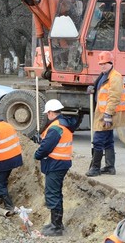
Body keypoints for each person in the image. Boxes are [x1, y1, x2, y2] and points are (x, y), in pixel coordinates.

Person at [34, 99, 75, 236]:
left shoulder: (56, 127)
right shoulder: (63, 124)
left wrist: (37, 154)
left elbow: (46, 147)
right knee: (56, 192)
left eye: (47, 113)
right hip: (61, 163)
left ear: (51, 112)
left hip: (55, 164)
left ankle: (56, 227)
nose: (47, 116)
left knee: (52, 193)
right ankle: (56, 224)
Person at [86, 51, 125, 176]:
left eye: (105, 64)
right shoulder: (104, 75)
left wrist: (108, 115)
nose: (102, 66)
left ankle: (95, 168)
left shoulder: (115, 77)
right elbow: (101, 91)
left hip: (107, 114)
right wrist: (92, 89)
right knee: (108, 140)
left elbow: (114, 97)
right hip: (103, 112)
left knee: (98, 140)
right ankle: (110, 167)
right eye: (101, 64)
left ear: (111, 63)